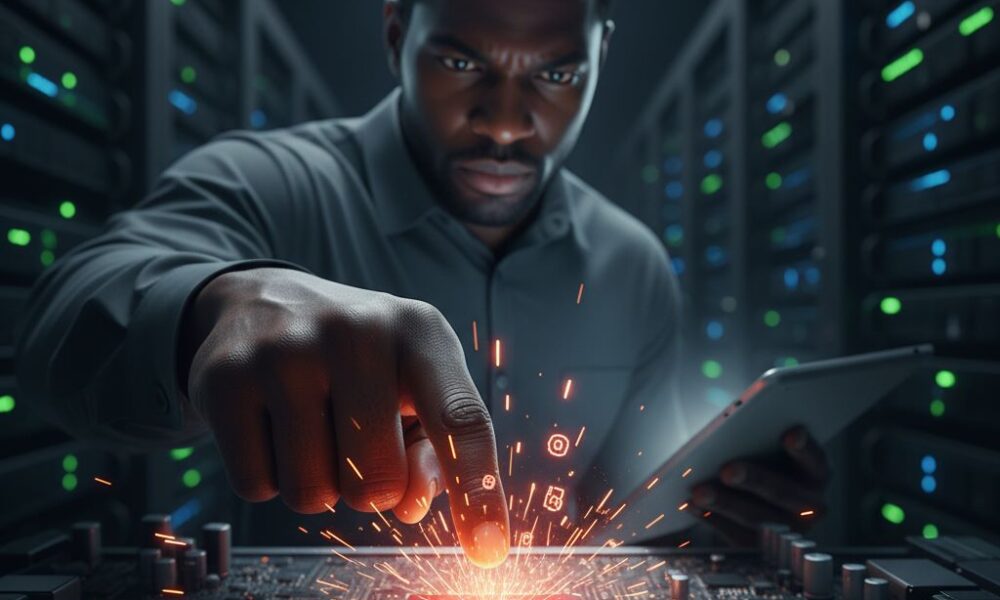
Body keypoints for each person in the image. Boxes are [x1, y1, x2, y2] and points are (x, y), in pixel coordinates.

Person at [15, 0, 828, 568]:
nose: (505, 121)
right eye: (461, 62)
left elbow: (624, 520)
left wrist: (715, 513)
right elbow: (60, 324)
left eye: (556, 75)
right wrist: (213, 308)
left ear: (600, 57)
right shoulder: (269, 184)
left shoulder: (634, 265)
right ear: (397, 33)